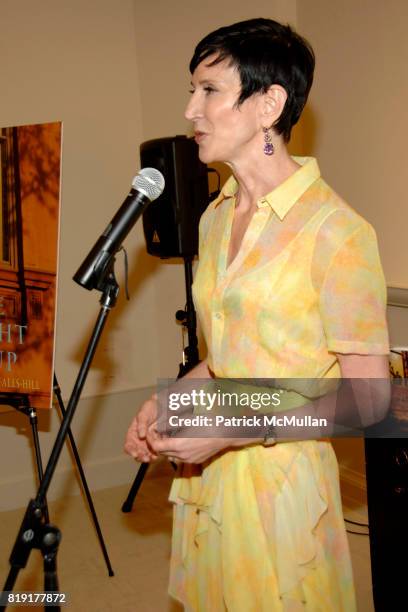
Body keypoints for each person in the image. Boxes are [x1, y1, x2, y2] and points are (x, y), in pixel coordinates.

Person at [125, 18, 390, 611]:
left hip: (282, 484)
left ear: (269, 104)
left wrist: (227, 431)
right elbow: (228, 362)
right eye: (191, 90)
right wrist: (168, 402)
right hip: (212, 475)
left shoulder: (337, 232)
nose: (191, 109)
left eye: (209, 90)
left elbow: (370, 400)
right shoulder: (214, 218)